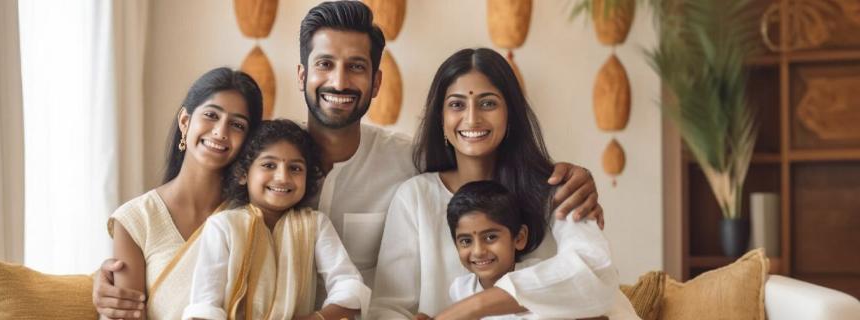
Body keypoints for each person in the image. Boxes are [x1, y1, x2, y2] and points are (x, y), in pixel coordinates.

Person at [94, 2, 603, 318]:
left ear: (376, 81)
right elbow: (182, 234)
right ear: (301, 74)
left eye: (356, 67)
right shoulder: (262, 168)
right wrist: (108, 288)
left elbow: (477, 172)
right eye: (325, 65)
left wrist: (569, 178)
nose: (339, 81)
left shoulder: (411, 166)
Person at [371, 48, 609, 319]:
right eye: (457, 104)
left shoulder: (557, 188)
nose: (472, 119)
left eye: (487, 103)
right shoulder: (415, 197)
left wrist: (470, 309)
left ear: (510, 115)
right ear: (441, 118)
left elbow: (595, 273)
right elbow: (387, 309)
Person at [104, 67, 263, 320]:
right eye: (211, 115)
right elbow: (124, 313)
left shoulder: (252, 217)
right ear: (185, 122)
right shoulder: (135, 220)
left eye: (237, 125)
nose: (221, 132)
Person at [182, 119, 369, 320]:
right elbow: (204, 305)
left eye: (295, 168)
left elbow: (349, 287)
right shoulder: (224, 226)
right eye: (269, 165)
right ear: (243, 174)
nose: (282, 177)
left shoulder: (315, 226)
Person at [438, 180, 639, 320]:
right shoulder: (461, 289)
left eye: (490, 237)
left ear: (519, 238)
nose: (478, 250)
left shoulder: (539, 278)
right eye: (465, 241)